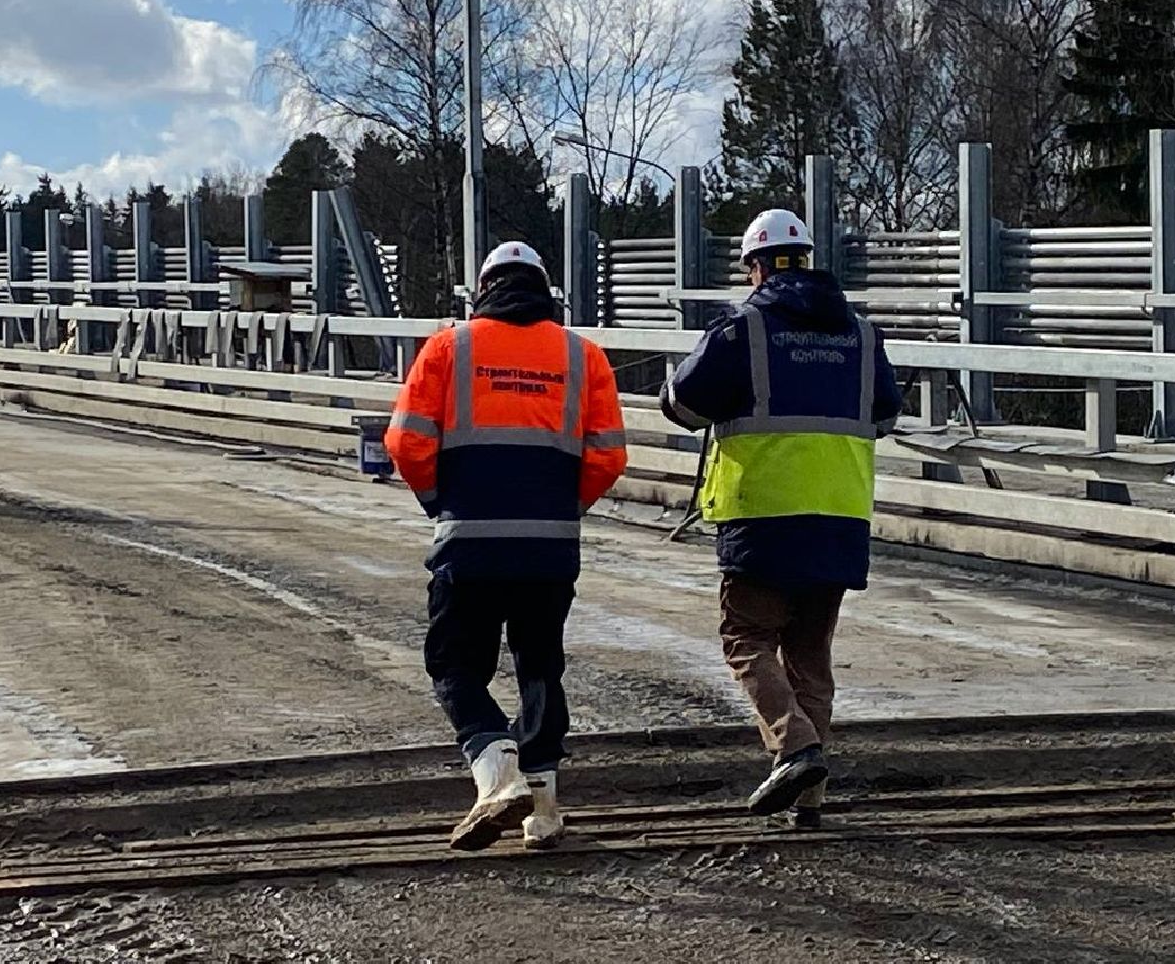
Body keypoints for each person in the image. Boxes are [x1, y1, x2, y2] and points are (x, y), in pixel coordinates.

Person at [660, 210, 901, 828]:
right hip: (839, 519)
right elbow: (884, 416)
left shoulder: (742, 329)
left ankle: (794, 749)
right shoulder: (863, 335)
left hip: (762, 517)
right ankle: (810, 799)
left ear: (757, 267)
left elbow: (683, 404)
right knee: (810, 655)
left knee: (746, 638)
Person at [386, 242, 627, 852]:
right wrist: (564, 508)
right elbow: (609, 456)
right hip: (549, 547)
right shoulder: (583, 355)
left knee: (454, 663)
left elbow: (405, 442)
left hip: (469, 542)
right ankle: (542, 811)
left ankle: (496, 768)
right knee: (540, 666)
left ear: (483, 289)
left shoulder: (449, 347)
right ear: (545, 290)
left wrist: (440, 500)